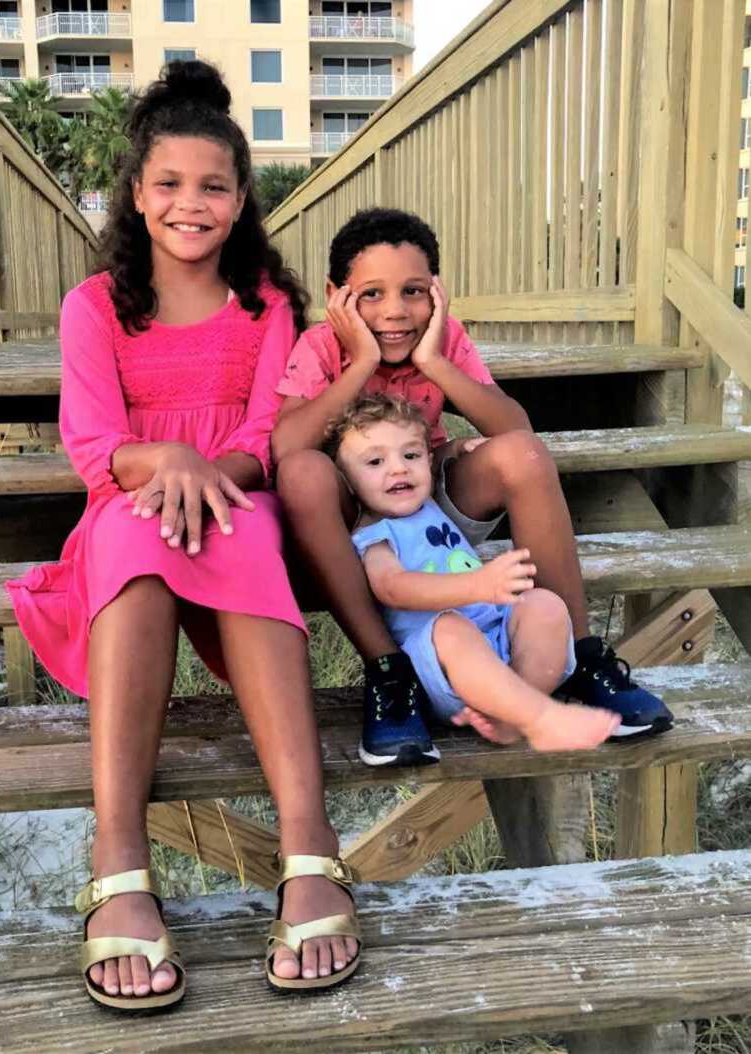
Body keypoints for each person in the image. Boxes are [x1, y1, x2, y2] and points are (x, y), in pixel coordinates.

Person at [6, 61, 360, 1012]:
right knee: (128, 551)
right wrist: (169, 466)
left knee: (245, 538)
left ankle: (308, 843)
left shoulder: (266, 308)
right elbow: (93, 445)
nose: (190, 204)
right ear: (136, 193)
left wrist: (215, 477)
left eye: (212, 187)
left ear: (243, 200)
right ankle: (118, 849)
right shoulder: (95, 307)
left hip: (239, 497)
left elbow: (261, 435)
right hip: (130, 500)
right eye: (168, 184)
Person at [273, 207, 674, 767]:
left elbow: (516, 431)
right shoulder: (321, 347)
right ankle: (392, 676)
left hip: (429, 499)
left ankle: (579, 656)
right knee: (302, 472)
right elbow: (287, 448)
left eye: (413, 291)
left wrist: (433, 360)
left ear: (436, 292)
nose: (394, 311)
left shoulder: (444, 337)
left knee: (523, 455)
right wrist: (361, 362)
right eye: (371, 294)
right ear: (335, 296)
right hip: (358, 514)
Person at [332, 394, 621, 749]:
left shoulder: (429, 502)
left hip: (499, 641)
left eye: (411, 455)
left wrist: (454, 448)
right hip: (442, 664)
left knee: (545, 604)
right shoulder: (374, 534)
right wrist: (477, 585)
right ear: (348, 482)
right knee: (450, 628)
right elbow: (392, 588)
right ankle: (542, 717)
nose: (398, 469)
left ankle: (510, 716)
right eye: (375, 462)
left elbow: (440, 461)